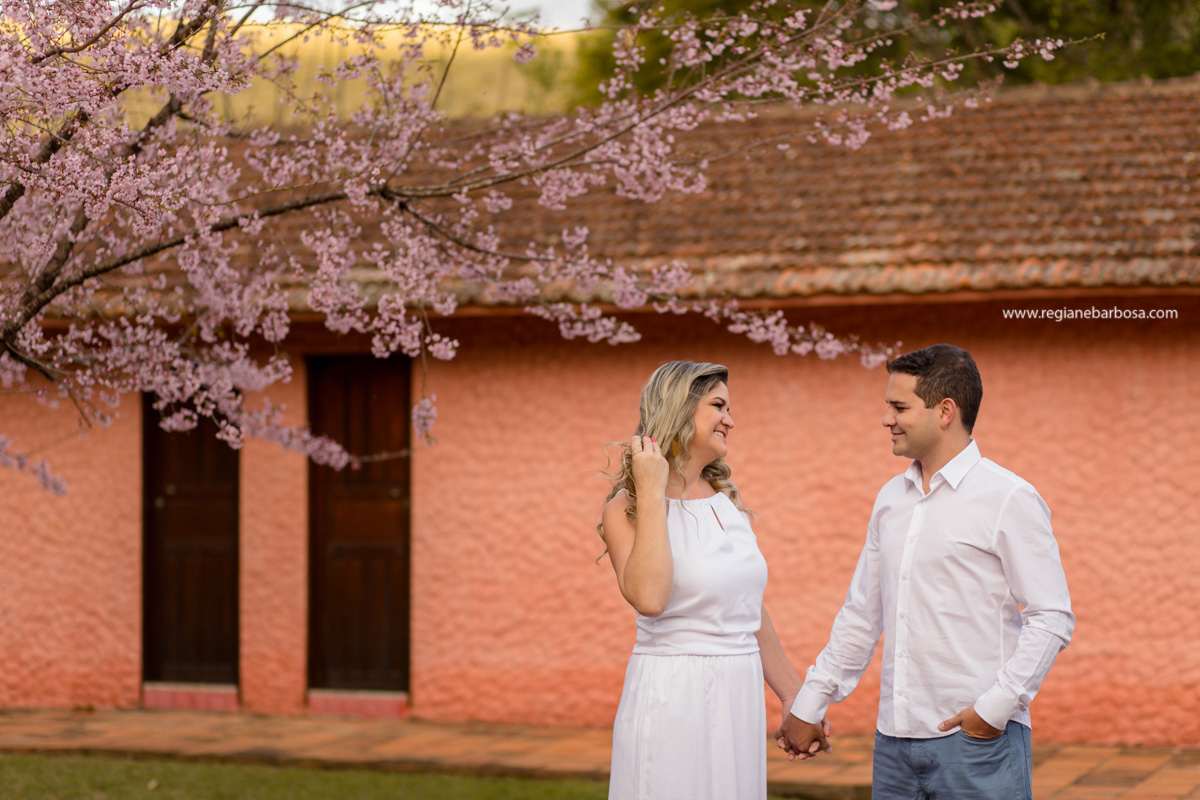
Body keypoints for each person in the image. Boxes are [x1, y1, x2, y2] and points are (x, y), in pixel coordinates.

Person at [775, 343, 1075, 800]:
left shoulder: (1009, 498)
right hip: (893, 743)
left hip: (978, 743)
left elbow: (1051, 616)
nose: (886, 419)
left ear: (945, 411)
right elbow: (862, 614)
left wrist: (994, 709)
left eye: (899, 406)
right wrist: (810, 701)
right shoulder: (890, 500)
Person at [600, 361, 817, 800]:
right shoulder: (627, 507)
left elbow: (747, 607)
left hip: (737, 694)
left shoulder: (726, 504)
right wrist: (654, 490)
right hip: (673, 694)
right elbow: (650, 596)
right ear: (680, 408)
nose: (730, 420)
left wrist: (794, 695)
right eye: (718, 406)